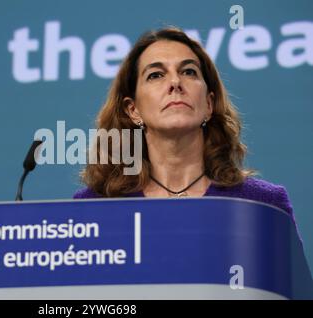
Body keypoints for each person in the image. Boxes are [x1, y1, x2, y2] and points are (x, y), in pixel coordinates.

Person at [73, 26, 294, 218]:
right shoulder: (93, 207)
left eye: (189, 72)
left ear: (209, 104)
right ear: (133, 110)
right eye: (156, 75)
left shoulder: (263, 203)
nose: (176, 82)